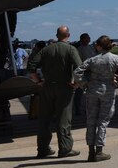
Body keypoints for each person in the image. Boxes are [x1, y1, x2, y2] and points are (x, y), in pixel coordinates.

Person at [27, 25, 83, 159]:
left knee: (44, 119)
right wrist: (77, 84)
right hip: (64, 87)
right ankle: (65, 148)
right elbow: (80, 69)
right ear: (68, 35)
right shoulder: (70, 49)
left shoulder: (46, 50)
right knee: (63, 120)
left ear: (57, 35)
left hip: (46, 87)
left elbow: (31, 67)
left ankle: (43, 149)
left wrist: (38, 81)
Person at [74, 35, 118, 162]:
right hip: (108, 90)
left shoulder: (93, 60)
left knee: (91, 121)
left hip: (92, 90)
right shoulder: (114, 58)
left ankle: (90, 152)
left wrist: (84, 84)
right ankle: (99, 151)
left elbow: (77, 72)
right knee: (103, 121)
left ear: (99, 46)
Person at [74, 33, 96, 116]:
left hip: (91, 72)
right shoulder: (79, 49)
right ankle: (77, 109)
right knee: (79, 93)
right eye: (88, 37)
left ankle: (89, 109)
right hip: (83, 73)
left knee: (90, 93)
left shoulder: (91, 47)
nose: (89, 38)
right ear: (83, 39)